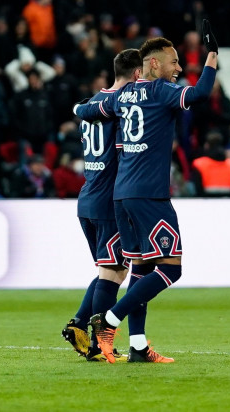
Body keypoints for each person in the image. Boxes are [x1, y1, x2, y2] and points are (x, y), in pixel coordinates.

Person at [72, 21, 219, 363]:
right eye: (174, 63)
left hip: (121, 196)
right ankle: (109, 321)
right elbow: (198, 94)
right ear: (154, 64)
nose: (179, 69)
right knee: (171, 268)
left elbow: (92, 111)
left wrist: (77, 108)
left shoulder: (122, 95)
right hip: (149, 196)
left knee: (139, 268)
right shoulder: (160, 91)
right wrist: (212, 57)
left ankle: (138, 346)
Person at [61, 49, 146, 362]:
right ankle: (98, 345)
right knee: (113, 272)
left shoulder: (92, 103)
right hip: (109, 202)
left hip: (88, 197)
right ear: (137, 74)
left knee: (111, 271)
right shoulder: (120, 107)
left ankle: (79, 324)